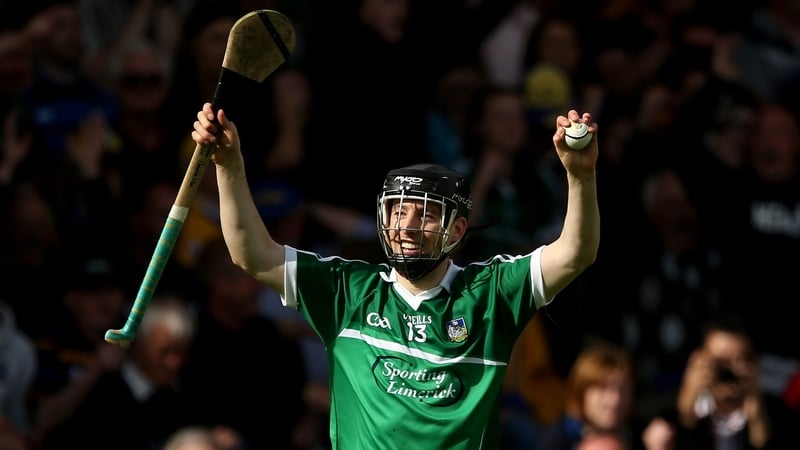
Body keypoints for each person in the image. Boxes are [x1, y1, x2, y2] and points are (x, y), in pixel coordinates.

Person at [190, 101, 600, 449]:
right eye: (398, 210)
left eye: (425, 212)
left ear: (456, 230)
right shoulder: (347, 290)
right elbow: (253, 254)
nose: (406, 224)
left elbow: (575, 254)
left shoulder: (491, 291)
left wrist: (580, 177)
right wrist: (229, 165)